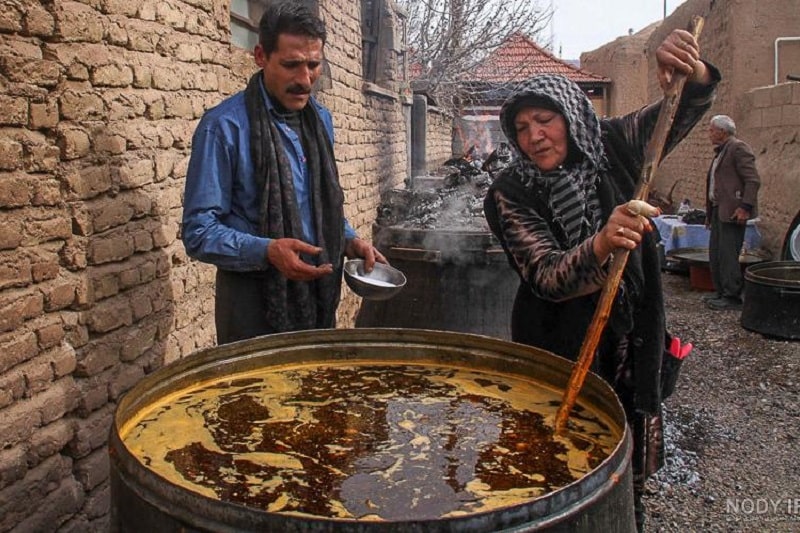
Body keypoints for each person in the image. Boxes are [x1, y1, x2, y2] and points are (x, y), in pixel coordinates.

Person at [483, 29, 719, 532]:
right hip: (559, 341)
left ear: (569, 116)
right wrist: (602, 243)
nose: (534, 136)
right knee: (562, 461)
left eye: (545, 120)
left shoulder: (612, 144)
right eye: (521, 127)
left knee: (628, 455)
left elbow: (678, 113)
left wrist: (689, 70)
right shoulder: (509, 191)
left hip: (632, 332)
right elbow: (546, 275)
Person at [181, 1, 385, 344]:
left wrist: (348, 239)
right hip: (252, 302)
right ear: (261, 56)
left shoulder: (321, 121)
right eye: (291, 65)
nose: (305, 80)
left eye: (313, 65)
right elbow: (198, 232)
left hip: (317, 299)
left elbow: (317, 203)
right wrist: (266, 251)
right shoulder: (223, 128)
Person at [703, 114, 760, 310]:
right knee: (717, 253)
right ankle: (721, 291)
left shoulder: (737, 148)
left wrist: (745, 207)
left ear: (722, 132)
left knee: (728, 254)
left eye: (712, 130)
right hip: (720, 210)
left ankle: (732, 296)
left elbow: (752, 180)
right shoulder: (721, 152)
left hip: (733, 211)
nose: (709, 133)